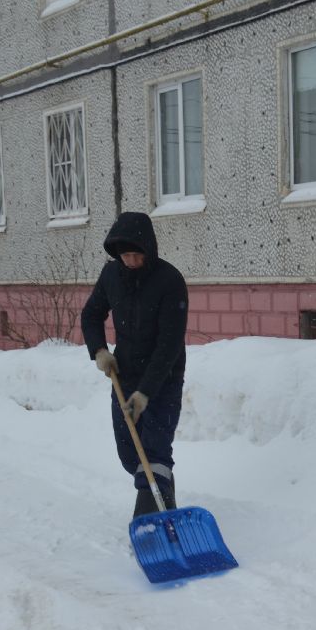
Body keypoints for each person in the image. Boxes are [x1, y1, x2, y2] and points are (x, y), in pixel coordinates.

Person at [80, 211, 189, 517]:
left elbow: (169, 344)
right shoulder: (111, 276)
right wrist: (100, 351)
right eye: (125, 255)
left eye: (136, 255)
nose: (130, 261)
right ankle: (161, 488)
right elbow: (91, 315)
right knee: (130, 454)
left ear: (149, 250)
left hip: (163, 378)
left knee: (154, 452)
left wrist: (146, 393)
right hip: (125, 375)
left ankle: (151, 523)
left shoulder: (170, 281)